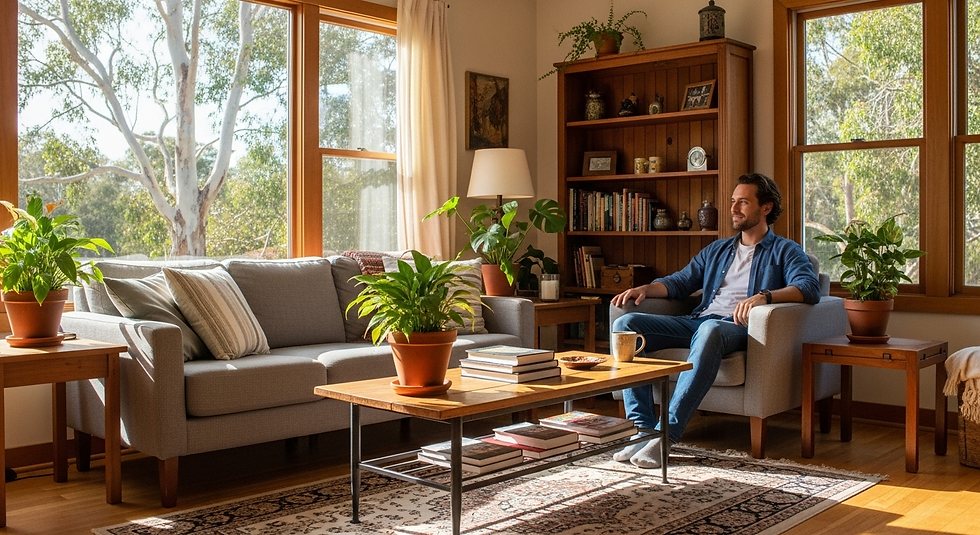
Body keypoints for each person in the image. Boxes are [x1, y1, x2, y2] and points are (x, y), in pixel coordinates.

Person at [610, 173, 820, 468]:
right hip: (699, 321)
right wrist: (645, 289)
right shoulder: (717, 250)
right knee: (626, 325)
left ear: (766, 208)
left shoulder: (786, 250)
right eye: (733, 201)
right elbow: (681, 282)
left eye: (743, 202)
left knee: (709, 329)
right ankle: (641, 431)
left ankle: (665, 435)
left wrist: (764, 296)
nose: (734, 208)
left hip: (736, 328)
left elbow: (810, 288)